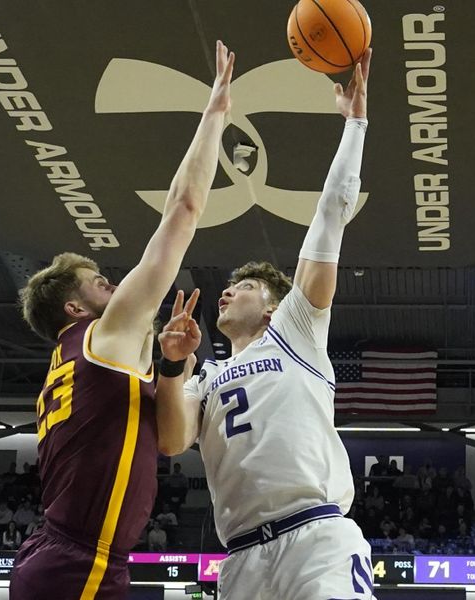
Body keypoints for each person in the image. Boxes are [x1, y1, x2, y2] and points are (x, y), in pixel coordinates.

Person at [9, 40, 236, 600]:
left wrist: (171, 366)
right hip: (76, 561)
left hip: (70, 555)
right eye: (96, 283)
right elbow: (182, 210)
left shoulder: (79, 360)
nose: (112, 283)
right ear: (73, 307)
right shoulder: (104, 336)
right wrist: (215, 116)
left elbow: (169, 444)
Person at [160, 50, 374, 599]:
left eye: (246, 287)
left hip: (316, 539)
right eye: (228, 288)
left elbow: (329, 217)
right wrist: (172, 364)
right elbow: (171, 439)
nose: (227, 292)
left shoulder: (295, 331)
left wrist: (355, 124)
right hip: (241, 558)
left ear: (276, 306)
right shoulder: (203, 378)